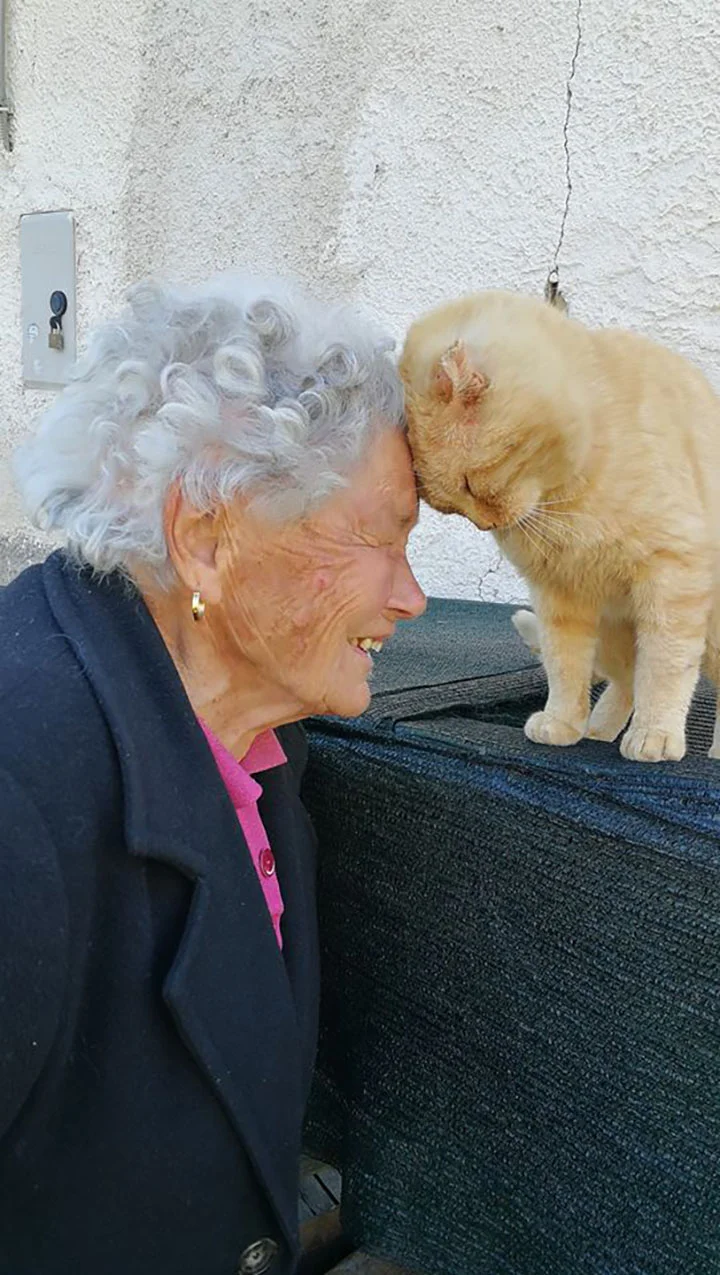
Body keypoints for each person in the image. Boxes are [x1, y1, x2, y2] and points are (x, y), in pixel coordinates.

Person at [1, 274, 426, 1275]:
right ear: (205, 537)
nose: (411, 596)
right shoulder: (16, 796)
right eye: (379, 535)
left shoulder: (254, 738)